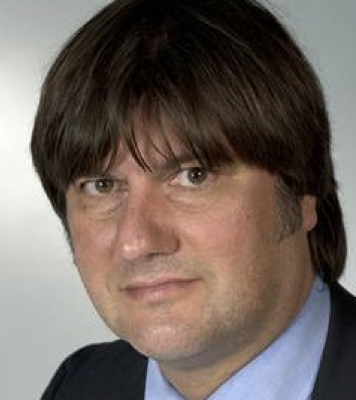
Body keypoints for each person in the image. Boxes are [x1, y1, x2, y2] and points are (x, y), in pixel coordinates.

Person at [31, 0, 356, 398]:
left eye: (193, 176)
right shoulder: (80, 386)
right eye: (101, 186)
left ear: (303, 190)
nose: (137, 242)